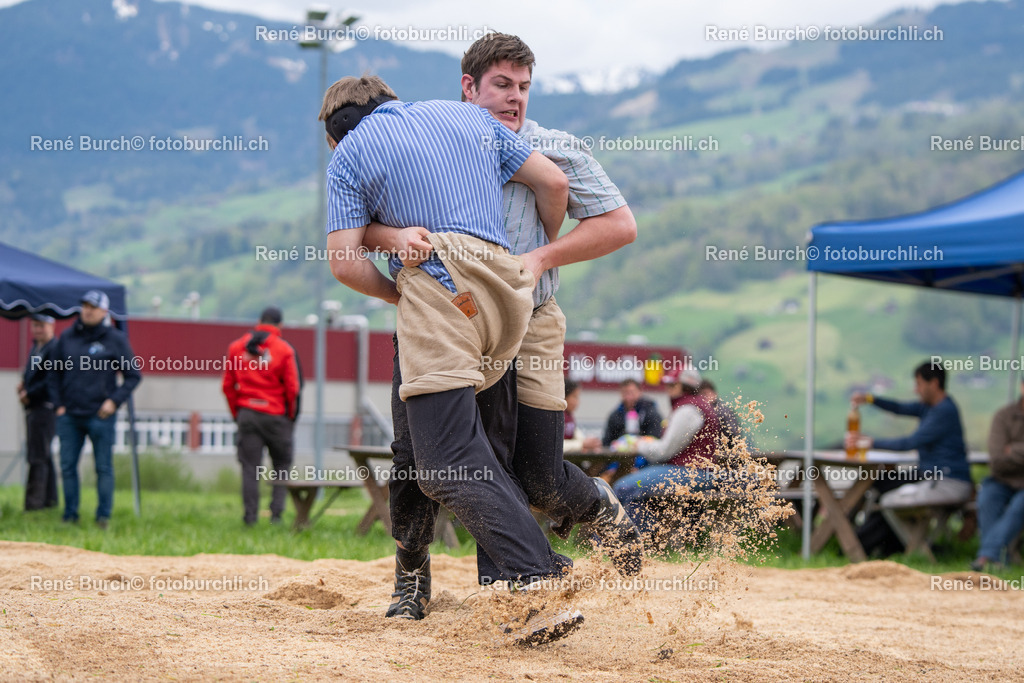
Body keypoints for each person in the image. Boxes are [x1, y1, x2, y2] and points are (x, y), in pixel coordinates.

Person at [362, 33, 643, 616]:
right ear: (469, 86)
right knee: (419, 455)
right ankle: (418, 581)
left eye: (523, 87)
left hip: (533, 317)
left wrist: (540, 257)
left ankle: (593, 512)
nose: (515, 99)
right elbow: (361, 225)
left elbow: (619, 224)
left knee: (536, 473)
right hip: (441, 313)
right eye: (502, 85)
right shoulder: (429, 142)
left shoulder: (553, 147)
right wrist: (396, 243)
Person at [318, 73, 582, 642]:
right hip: (510, 291)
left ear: (337, 138)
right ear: (393, 102)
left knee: (442, 459)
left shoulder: (349, 155)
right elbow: (553, 183)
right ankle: (523, 576)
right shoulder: (467, 117)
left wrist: (403, 294)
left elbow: (343, 262)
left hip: (441, 284)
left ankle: (536, 578)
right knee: (468, 446)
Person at [847, 361, 974, 557]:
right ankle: (875, 543)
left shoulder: (943, 411)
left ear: (933, 383)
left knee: (888, 493)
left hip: (944, 480)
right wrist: (871, 399)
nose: (916, 390)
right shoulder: (929, 407)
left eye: (919, 384)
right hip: (930, 474)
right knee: (882, 482)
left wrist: (869, 442)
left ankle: (866, 544)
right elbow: (899, 408)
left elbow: (909, 443)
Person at [47, 290, 141, 528]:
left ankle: (103, 517)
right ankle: (70, 516)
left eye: (92, 306)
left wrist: (113, 401)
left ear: (104, 311)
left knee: (103, 467)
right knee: (67, 467)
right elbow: (53, 374)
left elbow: (133, 375)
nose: (87, 310)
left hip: (101, 415)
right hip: (69, 415)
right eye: (84, 305)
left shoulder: (115, 339)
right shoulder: (66, 337)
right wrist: (58, 406)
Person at [612, 367, 721, 539]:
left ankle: (622, 542)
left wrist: (639, 444)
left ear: (684, 386)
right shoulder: (699, 406)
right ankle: (642, 542)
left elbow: (663, 452)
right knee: (639, 491)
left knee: (624, 487)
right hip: (698, 472)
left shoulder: (687, 410)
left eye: (672, 385)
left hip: (690, 472)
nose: (667, 389)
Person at [222, 306, 301, 526]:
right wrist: (289, 416)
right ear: (280, 325)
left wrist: (237, 413)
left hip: (247, 413)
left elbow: (228, 386)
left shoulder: (236, 347)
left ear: (259, 321)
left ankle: (250, 519)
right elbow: (293, 389)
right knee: (282, 465)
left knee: (250, 469)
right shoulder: (284, 350)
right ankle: (276, 516)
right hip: (276, 415)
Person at [971, 379, 1024, 570]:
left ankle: (986, 557)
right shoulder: (1004, 416)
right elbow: (997, 459)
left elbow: (1004, 455)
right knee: (987, 499)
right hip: (1002, 479)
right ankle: (997, 559)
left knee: (1019, 507)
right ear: (1022, 387)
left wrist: (1013, 450)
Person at [17, 313, 59, 511]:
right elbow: (32, 374)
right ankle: (49, 501)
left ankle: (34, 504)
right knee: (44, 454)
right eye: (34, 325)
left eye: (41, 325)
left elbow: (50, 380)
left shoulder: (54, 349)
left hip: (45, 407)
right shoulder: (36, 347)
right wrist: (23, 385)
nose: (37, 330)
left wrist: (29, 393)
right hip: (33, 406)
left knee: (37, 456)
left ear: (51, 326)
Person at [600, 378, 664, 481]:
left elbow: (655, 439)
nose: (628, 397)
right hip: (617, 462)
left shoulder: (651, 413)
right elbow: (607, 442)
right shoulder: (615, 415)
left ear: (640, 392)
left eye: (631, 392)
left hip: (645, 462)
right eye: (625, 393)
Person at [698, 378, 742, 452]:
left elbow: (732, 434)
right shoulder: (721, 410)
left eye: (706, 394)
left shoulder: (722, 411)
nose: (703, 398)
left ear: (714, 394)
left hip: (724, 453)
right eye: (701, 395)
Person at [563, 380, 600, 453]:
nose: (577, 401)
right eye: (574, 397)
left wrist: (591, 443)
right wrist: (581, 444)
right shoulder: (556, 416)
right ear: (564, 397)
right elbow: (555, 445)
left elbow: (578, 437)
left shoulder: (569, 416)